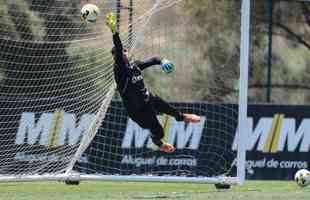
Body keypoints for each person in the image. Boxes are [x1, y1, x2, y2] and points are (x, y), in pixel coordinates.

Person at [106, 12, 201, 153]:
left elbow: (154, 59)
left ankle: (182, 117)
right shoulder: (119, 70)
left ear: (128, 52)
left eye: (124, 52)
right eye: (118, 54)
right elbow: (118, 48)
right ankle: (158, 142)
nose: (122, 54)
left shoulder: (135, 65)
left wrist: (163, 61)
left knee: (164, 106)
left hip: (147, 98)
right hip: (138, 112)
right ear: (115, 57)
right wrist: (114, 32)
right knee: (160, 133)